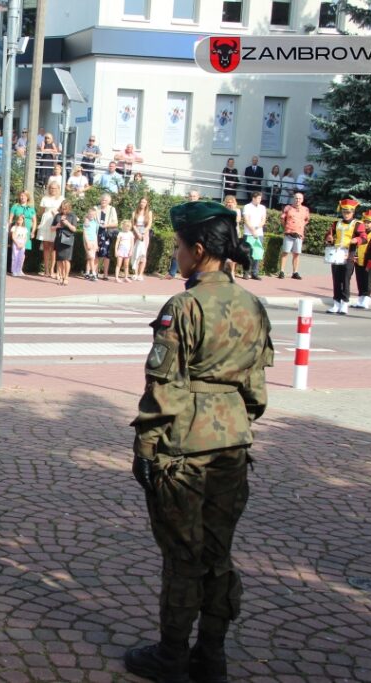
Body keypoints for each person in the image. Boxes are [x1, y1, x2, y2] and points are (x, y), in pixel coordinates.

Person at [124, 199, 273, 683]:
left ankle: (171, 656)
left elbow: (163, 389)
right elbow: (256, 390)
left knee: (183, 557)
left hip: (183, 446)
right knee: (217, 552)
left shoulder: (184, 306)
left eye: (181, 245)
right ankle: (211, 656)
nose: (176, 253)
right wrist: (233, 419)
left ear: (200, 249)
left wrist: (146, 447)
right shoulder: (253, 303)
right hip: (232, 442)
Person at [323, 198, 365, 315]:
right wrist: (329, 239)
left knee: (345, 280)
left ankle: (344, 303)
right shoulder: (336, 223)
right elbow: (328, 237)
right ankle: (336, 303)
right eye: (344, 212)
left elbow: (364, 238)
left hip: (348, 255)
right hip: (336, 254)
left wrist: (356, 240)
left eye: (349, 212)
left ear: (353, 212)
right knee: (336, 280)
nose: (346, 214)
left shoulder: (358, 224)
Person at [353, 209, 371, 309]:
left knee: (367, 281)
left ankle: (366, 299)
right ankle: (360, 299)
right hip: (359, 260)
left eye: (368, 222)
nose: (366, 224)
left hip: (370, 261)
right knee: (359, 280)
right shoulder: (360, 232)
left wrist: (370, 262)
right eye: (365, 221)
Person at [278, 191, 309, 279]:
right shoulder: (288, 208)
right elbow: (282, 219)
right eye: (296, 198)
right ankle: (282, 271)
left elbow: (306, 220)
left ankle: (295, 272)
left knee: (296, 254)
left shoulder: (305, 209)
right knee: (285, 252)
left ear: (302, 200)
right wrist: (287, 228)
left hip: (299, 235)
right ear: (293, 199)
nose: (297, 200)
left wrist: (300, 227)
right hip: (289, 233)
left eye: (299, 198)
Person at [36, 180, 63, 279]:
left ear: (58, 189)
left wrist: (56, 215)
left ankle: (52, 270)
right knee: (46, 246)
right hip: (45, 222)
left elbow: (64, 211)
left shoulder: (61, 199)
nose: (53, 190)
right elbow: (41, 211)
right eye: (51, 188)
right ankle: (46, 270)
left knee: (54, 248)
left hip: (56, 222)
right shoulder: (45, 198)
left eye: (55, 188)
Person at [241, 191, 267, 280]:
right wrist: (252, 230)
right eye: (258, 198)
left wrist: (256, 228)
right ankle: (246, 272)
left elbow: (263, 220)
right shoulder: (247, 207)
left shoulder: (263, 208)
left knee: (257, 253)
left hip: (259, 234)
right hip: (248, 233)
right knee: (247, 254)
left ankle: (255, 273)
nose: (260, 200)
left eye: (260, 198)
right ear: (253, 198)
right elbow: (246, 220)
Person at [52, 200, 77, 286]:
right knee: (59, 260)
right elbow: (51, 228)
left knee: (66, 259)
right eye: (62, 209)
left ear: (69, 208)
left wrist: (67, 223)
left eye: (65, 209)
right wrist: (57, 226)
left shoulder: (72, 216)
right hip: (58, 239)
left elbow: (74, 229)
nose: (64, 210)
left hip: (68, 239)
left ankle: (66, 277)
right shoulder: (57, 216)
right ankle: (61, 277)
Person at [97, 193, 119, 280]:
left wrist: (106, 225)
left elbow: (116, 223)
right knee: (97, 253)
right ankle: (95, 272)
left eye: (105, 200)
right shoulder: (96, 208)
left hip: (107, 233)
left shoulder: (112, 209)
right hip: (97, 232)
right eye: (102, 199)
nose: (103, 201)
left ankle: (105, 274)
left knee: (107, 254)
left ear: (109, 201)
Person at [131, 196, 154, 281]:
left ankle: (141, 274)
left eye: (144, 202)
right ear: (139, 202)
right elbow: (133, 224)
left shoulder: (149, 213)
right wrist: (137, 233)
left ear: (147, 203)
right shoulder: (134, 212)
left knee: (143, 254)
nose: (142, 204)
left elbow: (149, 225)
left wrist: (143, 233)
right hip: (136, 233)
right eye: (141, 202)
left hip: (145, 234)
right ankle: (135, 273)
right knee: (135, 254)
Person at [82, 205, 100, 280]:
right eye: (90, 214)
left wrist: (96, 244)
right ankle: (93, 273)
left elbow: (95, 234)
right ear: (88, 214)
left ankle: (87, 273)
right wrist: (88, 242)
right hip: (88, 241)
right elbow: (85, 233)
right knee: (92, 257)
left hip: (93, 241)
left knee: (90, 258)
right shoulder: (86, 222)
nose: (92, 215)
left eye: (93, 214)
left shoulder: (95, 223)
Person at [9, 212, 29, 277]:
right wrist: (17, 243)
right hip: (16, 244)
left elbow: (26, 237)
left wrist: (23, 244)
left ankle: (19, 270)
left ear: (23, 220)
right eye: (18, 220)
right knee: (15, 257)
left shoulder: (25, 229)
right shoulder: (14, 227)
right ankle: (14, 270)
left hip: (22, 244)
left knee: (21, 257)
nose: (19, 221)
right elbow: (13, 236)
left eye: (21, 220)